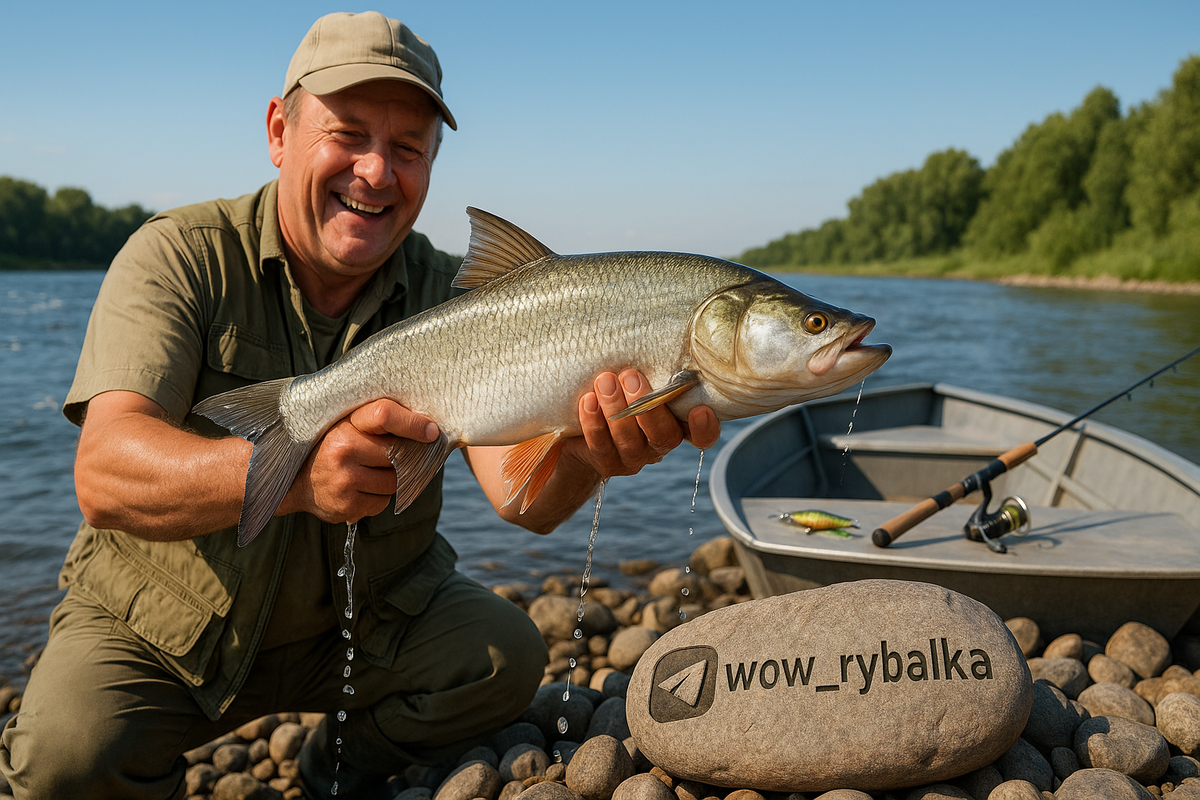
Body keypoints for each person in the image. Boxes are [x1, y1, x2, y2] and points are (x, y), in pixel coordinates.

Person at [0, 11, 719, 800]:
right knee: (65, 757)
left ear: (433, 163)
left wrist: (586, 454)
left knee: (504, 656)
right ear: (280, 131)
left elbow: (521, 501)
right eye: (347, 135)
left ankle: (333, 769)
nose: (376, 172)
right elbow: (103, 475)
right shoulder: (177, 255)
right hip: (167, 632)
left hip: (358, 627)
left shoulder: (458, 293)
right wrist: (298, 481)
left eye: (407, 148)